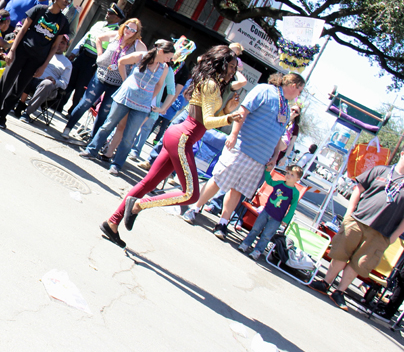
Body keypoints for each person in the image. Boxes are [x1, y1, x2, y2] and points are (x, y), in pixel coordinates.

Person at [100, 46, 245, 248]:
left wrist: (227, 110)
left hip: (177, 136)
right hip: (183, 138)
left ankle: (112, 222)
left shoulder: (211, 83)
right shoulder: (211, 84)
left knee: (147, 183)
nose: (232, 71)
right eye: (230, 66)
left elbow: (208, 117)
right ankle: (139, 205)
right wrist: (229, 117)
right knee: (191, 194)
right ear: (220, 64)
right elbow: (210, 122)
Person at [182, 72, 307, 239]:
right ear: (293, 86)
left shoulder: (285, 105)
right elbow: (242, 111)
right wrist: (233, 135)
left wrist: (275, 155)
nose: (299, 94)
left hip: (260, 159)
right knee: (219, 179)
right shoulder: (264, 90)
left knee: (238, 190)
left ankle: (223, 223)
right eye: (300, 90)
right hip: (242, 148)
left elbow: (279, 133)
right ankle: (195, 208)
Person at [311, 155, 404, 311]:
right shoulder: (381, 171)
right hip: (358, 221)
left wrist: (392, 238)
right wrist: (349, 214)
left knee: (361, 263)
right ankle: (325, 282)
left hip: (381, 234)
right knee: (341, 253)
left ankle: (339, 292)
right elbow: (358, 189)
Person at [79, 40, 176, 175]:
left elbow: (160, 85)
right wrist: (126, 81)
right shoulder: (141, 56)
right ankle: (92, 150)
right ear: (161, 52)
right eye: (168, 56)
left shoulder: (164, 68)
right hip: (125, 97)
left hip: (142, 105)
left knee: (129, 135)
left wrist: (149, 96)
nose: (169, 60)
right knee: (109, 124)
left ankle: (117, 164)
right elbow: (121, 62)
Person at [0, 0, 72, 129]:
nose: (67, 1)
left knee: (19, 88)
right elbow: (23, 30)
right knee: (6, 81)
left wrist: (43, 66)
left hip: (37, 59)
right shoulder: (39, 10)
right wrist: (12, 50)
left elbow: (55, 46)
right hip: (21, 51)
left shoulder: (63, 22)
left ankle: (2, 116)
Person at [62, 16, 146, 139]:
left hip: (117, 82)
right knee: (85, 102)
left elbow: (145, 57)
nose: (128, 31)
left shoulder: (137, 45)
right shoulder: (116, 35)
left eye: (133, 30)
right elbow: (99, 38)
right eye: (127, 27)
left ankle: (92, 138)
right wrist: (100, 55)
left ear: (136, 33)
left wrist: (133, 67)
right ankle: (68, 127)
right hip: (101, 75)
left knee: (104, 112)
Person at [58, 3, 124, 114]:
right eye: (108, 11)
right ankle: (58, 105)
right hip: (82, 56)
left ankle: (72, 111)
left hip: (94, 62)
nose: (107, 13)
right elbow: (85, 37)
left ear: (117, 17)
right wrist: (74, 52)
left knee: (81, 87)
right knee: (70, 81)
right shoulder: (99, 24)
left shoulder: (117, 33)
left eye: (111, 13)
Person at [238, 166, 304, 260]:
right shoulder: (280, 183)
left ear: (297, 179)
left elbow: (293, 207)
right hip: (266, 211)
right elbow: (269, 181)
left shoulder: (295, 192)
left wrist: (286, 219)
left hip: (277, 218)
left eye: (292, 174)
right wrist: (267, 172)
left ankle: (258, 250)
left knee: (266, 235)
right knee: (255, 229)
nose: (288, 175)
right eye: (288, 172)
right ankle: (246, 243)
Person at [20, 35, 72, 123]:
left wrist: (55, 81)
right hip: (33, 80)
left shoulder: (67, 64)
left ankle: (27, 113)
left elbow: (64, 84)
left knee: (47, 83)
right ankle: (13, 104)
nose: (59, 44)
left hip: (49, 88)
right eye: (58, 41)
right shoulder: (45, 52)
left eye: (63, 42)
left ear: (66, 47)